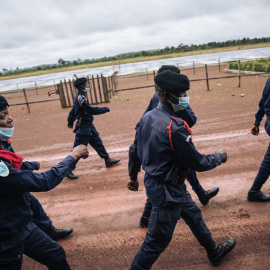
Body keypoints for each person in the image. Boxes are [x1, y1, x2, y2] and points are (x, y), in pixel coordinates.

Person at [128, 70, 236, 269]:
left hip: (166, 185)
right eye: (182, 94)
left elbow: (133, 149)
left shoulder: (147, 118)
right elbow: (198, 162)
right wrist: (219, 156)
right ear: (168, 95)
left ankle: (213, 250)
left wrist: (133, 175)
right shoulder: (174, 128)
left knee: (194, 215)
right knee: (154, 243)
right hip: (167, 192)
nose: (186, 98)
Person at [0, 98, 89, 269]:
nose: (10, 119)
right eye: (3, 116)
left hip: (23, 225)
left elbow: (13, 166)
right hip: (6, 237)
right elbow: (44, 182)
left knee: (56, 255)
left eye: (8, 113)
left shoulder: (3, 146)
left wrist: (31, 164)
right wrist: (73, 156)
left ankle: (49, 230)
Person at [128, 65, 219, 228]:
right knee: (167, 175)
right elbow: (191, 119)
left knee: (179, 172)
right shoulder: (170, 101)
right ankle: (146, 217)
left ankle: (200, 194)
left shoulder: (158, 99)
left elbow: (142, 122)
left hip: (166, 140)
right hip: (171, 140)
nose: (182, 92)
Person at [66, 77, 120, 179]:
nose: (87, 86)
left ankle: (107, 160)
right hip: (83, 128)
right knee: (78, 150)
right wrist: (105, 109)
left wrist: (70, 122)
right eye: (86, 84)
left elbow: (73, 111)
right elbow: (91, 110)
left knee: (98, 143)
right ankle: (67, 170)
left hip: (89, 126)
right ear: (81, 86)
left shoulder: (82, 96)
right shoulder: (80, 98)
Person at [247, 78, 270, 202]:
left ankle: (255, 191)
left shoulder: (269, 81)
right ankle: (254, 191)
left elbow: (262, 102)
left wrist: (257, 122)